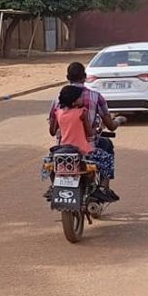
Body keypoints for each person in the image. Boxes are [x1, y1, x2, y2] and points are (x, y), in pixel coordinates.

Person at [49, 62, 122, 198]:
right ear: (84, 77)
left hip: (62, 148)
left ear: (68, 77)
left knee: (49, 163)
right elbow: (106, 127)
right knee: (107, 152)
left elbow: (52, 131)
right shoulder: (92, 101)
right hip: (85, 148)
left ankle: (54, 186)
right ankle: (103, 187)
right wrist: (119, 120)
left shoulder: (58, 102)